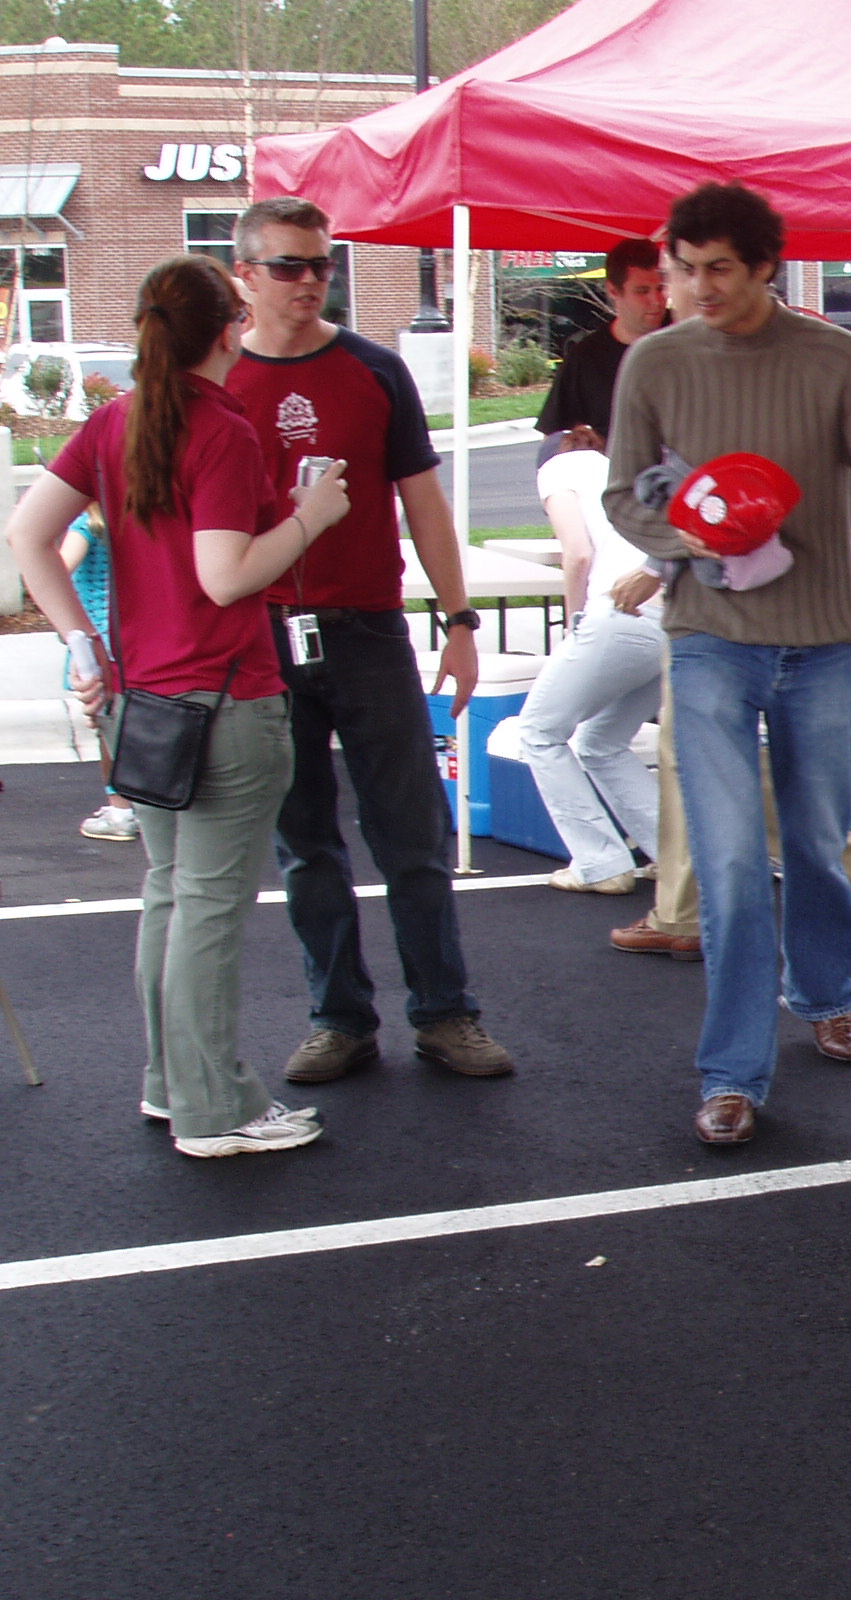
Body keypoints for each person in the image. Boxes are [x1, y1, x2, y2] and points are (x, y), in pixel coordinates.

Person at [604, 180, 851, 1147]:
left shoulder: (831, 358)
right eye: (683, 269)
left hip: (820, 644)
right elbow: (622, 496)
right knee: (731, 863)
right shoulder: (656, 362)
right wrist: (681, 533)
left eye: (719, 270)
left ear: (765, 269)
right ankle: (732, 1074)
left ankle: (825, 994)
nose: (698, 288)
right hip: (706, 640)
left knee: (820, 843)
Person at [7, 253, 352, 1155]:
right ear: (230, 329)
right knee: (203, 910)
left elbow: (28, 534)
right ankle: (214, 1108)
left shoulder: (115, 422)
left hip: (144, 702)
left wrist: (84, 643)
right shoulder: (220, 430)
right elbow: (226, 575)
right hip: (226, 703)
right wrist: (311, 515)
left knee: (171, 897)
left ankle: (176, 1086)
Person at [226, 194, 515, 1083]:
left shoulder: (375, 370)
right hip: (264, 636)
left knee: (412, 834)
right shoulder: (219, 378)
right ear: (244, 275)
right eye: (289, 265)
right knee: (305, 843)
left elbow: (424, 503)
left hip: (369, 630)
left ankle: (444, 1012)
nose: (310, 281)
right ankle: (339, 1018)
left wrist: (459, 620)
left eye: (322, 264)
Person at [518, 443, 662, 891]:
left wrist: (573, 622)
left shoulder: (557, 468)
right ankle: (679, 856)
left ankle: (601, 862)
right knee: (601, 741)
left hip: (619, 611)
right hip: (669, 620)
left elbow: (577, 553)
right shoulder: (620, 465)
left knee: (539, 731)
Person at [535, 237, 667, 455]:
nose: (656, 300)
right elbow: (553, 442)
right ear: (613, 291)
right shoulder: (584, 358)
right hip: (617, 472)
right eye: (642, 291)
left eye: (661, 288)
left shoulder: (687, 337)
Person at [61, 508, 134, 840]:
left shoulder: (87, 525)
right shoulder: (131, 518)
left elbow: (60, 567)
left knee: (108, 729)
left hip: (98, 641)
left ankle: (121, 810)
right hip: (136, 638)